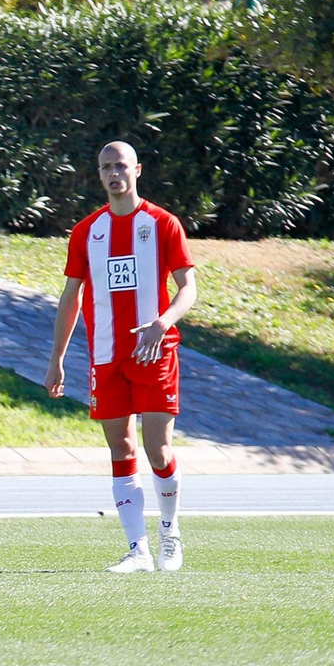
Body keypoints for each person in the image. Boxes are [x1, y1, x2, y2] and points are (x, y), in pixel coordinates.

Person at [46, 142, 199, 574]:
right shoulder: (86, 231)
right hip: (106, 356)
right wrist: (56, 359)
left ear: (137, 170)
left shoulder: (163, 224)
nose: (115, 173)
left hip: (155, 350)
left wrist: (162, 322)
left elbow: (188, 287)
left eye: (121, 166)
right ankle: (138, 550)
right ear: (99, 175)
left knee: (158, 449)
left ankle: (170, 534)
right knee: (121, 447)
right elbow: (70, 297)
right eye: (106, 167)